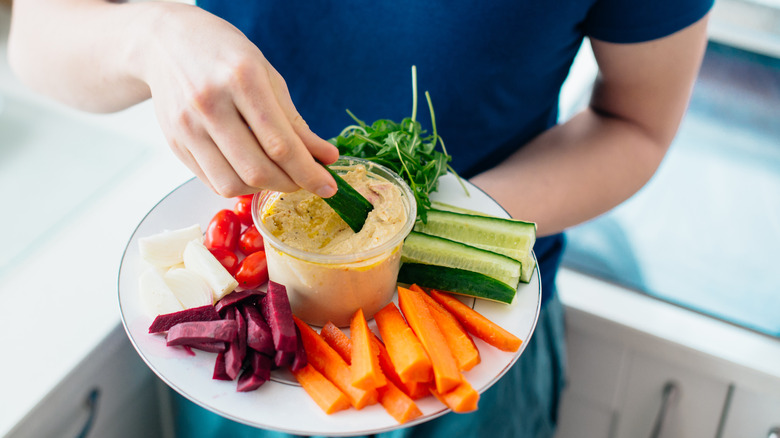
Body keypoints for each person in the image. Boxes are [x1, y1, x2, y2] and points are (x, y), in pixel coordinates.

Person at [8, 0, 713, 437]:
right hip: (257, 354)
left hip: (467, 352)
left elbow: (636, 125)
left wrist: (425, 229)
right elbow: (36, 36)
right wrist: (150, 36)